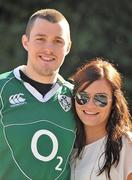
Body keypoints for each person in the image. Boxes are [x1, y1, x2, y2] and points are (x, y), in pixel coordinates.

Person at [0, 9, 76, 180]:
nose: (48, 49)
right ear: (26, 42)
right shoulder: (2, 88)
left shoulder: (78, 100)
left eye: (58, 41)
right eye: (40, 39)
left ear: (68, 47)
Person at [70, 57, 132, 180]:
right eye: (83, 97)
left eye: (100, 99)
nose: (90, 105)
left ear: (114, 101)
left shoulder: (126, 145)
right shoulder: (68, 146)